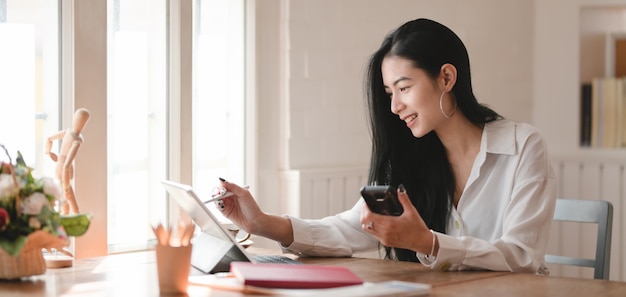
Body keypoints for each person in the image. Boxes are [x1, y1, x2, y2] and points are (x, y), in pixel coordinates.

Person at [215, 18, 557, 274]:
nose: (394, 107)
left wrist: (428, 243)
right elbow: (352, 229)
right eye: (390, 93)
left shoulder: (522, 146)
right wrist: (262, 223)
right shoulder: (411, 156)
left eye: (404, 88)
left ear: (447, 78)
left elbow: (522, 257)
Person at [45, 108, 90, 214]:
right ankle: (75, 218)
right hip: (64, 170)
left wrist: (48, 152)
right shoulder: (76, 141)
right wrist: (66, 186)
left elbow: (49, 139)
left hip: (59, 166)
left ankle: (65, 217)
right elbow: (67, 165)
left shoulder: (67, 133)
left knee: (65, 203)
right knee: (73, 204)